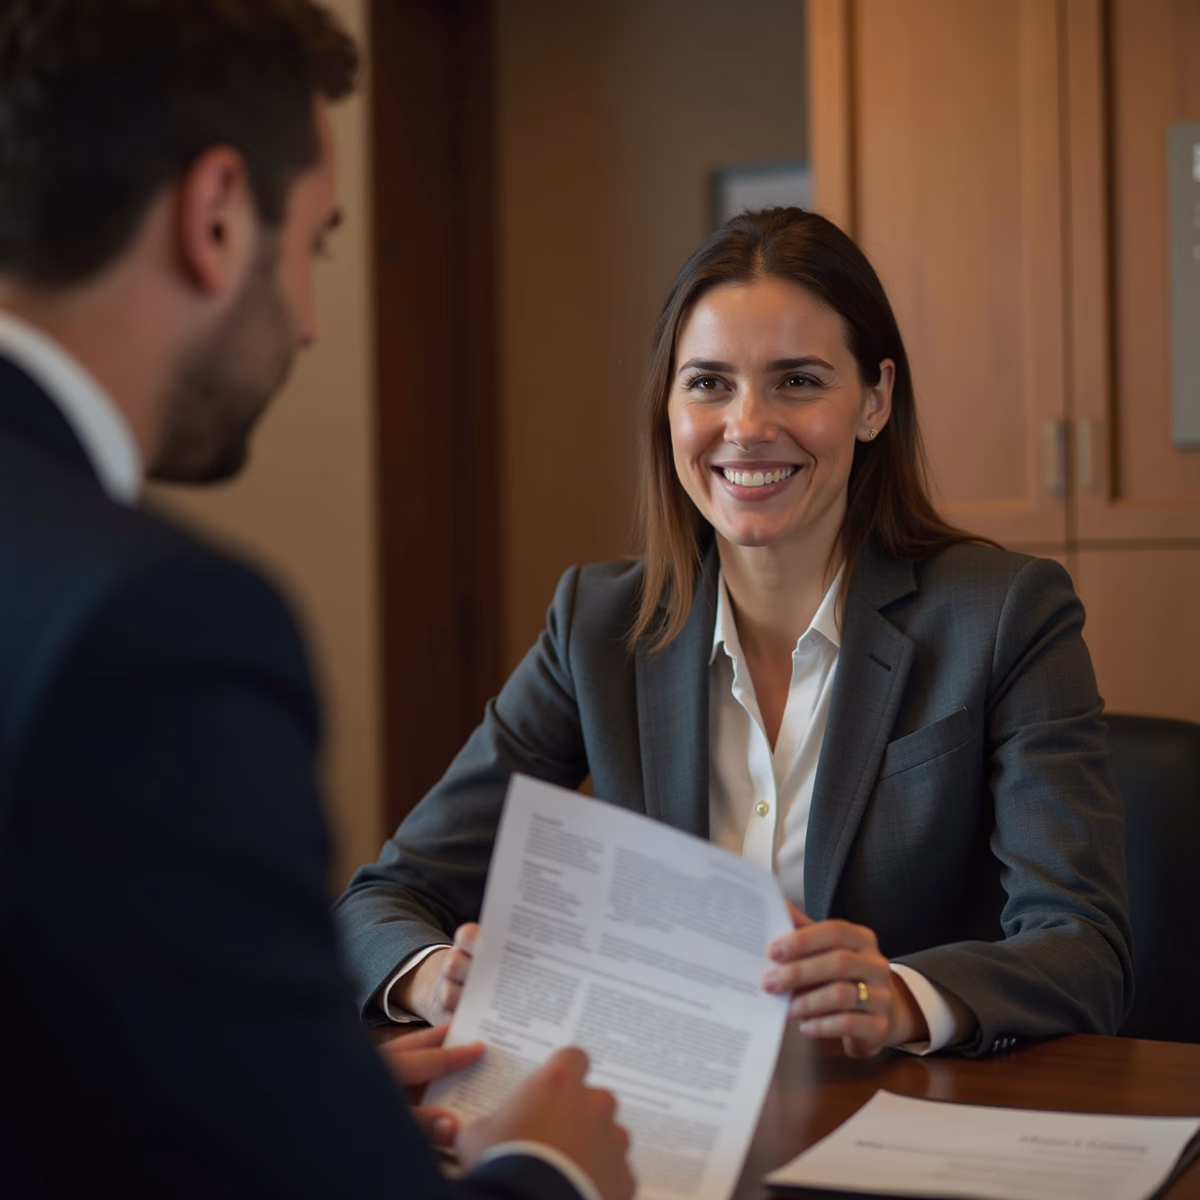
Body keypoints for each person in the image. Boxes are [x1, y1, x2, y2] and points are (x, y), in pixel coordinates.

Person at [0, 3, 634, 1198]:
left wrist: (305, 1085)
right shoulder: (154, 626)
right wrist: (557, 1168)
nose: (304, 320)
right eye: (318, 246)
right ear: (219, 213)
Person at [336, 206, 1133, 1060]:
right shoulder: (597, 627)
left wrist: (898, 995)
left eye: (797, 380)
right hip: (668, 1131)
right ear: (670, 411)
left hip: (907, 1119)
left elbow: (1083, 945)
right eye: (709, 383)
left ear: (875, 401)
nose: (746, 425)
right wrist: (432, 975)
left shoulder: (1008, 614)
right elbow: (382, 898)